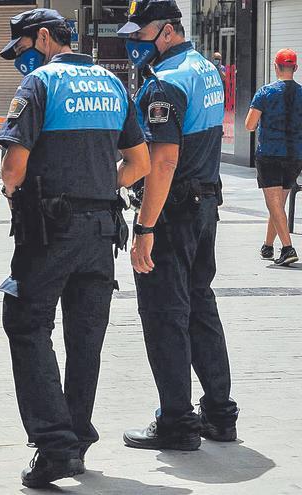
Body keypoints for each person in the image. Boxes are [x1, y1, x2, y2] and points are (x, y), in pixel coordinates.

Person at [0, 8, 151, 488]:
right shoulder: (112, 83)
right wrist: (101, 185)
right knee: (85, 335)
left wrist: (13, 193)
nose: (20, 60)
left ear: (44, 38)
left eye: (22, 48)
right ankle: (76, 436)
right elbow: (140, 162)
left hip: (50, 231)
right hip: (103, 230)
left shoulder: (40, 85)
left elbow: (11, 169)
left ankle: (56, 446)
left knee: (25, 323)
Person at [118, 0, 240, 451]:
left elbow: (163, 161)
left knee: (165, 316)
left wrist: (145, 227)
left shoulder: (163, 83)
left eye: (140, 33)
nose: (134, 43)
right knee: (200, 305)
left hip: (172, 212)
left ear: (167, 31)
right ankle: (220, 414)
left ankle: (176, 423)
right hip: (206, 204)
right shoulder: (204, 68)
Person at [245, 48, 301, 266]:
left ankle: (287, 248)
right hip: (295, 155)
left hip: (269, 153)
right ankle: (268, 246)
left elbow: (250, 124)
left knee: (274, 203)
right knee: (278, 203)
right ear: (295, 68)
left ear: (275, 67)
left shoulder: (265, 93)